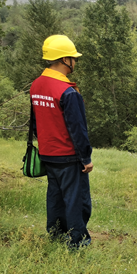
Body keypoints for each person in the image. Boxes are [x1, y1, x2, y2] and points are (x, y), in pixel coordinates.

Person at [30, 35, 93, 249]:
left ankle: (56, 236)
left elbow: (37, 122)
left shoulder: (37, 85)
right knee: (77, 201)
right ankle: (77, 243)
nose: (75, 61)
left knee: (55, 199)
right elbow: (78, 129)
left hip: (48, 154)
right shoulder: (67, 92)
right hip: (69, 156)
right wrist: (86, 158)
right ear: (65, 60)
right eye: (73, 58)